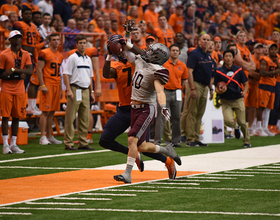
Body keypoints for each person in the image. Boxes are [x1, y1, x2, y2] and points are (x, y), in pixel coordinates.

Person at [99, 35, 177, 180]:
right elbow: (106, 73)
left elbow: (135, 50)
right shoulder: (126, 63)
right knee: (106, 140)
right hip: (124, 110)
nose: (122, 52)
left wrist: (125, 42)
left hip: (143, 109)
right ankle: (134, 154)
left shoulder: (143, 63)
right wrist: (110, 53)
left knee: (140, 144)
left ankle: (167, 161)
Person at [0, 30, 32, 154]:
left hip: (19, 89)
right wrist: (19, 74)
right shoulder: (4, 54)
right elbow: (2, 74)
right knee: (6, 116)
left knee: (17, 117)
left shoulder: (25, 54)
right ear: (10, 40)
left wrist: (13, 70)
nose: (18, 39)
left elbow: (29, 71)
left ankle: (13, 144)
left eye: (20, 37)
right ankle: (5, 144)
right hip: (7, 89)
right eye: (16, 37)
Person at [63, 34, 95, 151]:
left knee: (84, 117)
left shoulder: (88, 59)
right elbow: (66, 74)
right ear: (77, 44)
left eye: (84, 43)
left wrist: (92, 91)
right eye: (80, 43)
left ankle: (83, 142)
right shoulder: (72, 57)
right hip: (75, 88)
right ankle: (68, 142)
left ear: (86, 44)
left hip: (86, 89)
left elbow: (90, 76)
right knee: (70, 117)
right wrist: (68, 89)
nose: (82, 45)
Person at [182, 34, 216, 147]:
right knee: (192, 112)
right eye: (204, 39)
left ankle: (197, 138)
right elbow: (189, 72)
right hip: (196, 84)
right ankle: (190, 139)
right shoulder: (194, 54)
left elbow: (209, 74)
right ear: (199, 41)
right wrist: (192, 88)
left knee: (200, 113)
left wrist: (211, 88)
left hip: (205, 86)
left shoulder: (208, 56)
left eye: (208, 40)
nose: (206, 42)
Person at [215, 50, 251, 147]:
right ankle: (235, 127)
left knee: (242, 122)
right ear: (223, 58)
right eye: (226, 56)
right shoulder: (219, 71)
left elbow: (246, 84)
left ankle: (247, 141)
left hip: (238, 98)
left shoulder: (239, 70)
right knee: (228, 121)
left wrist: (245, 92)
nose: (228, 58)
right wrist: (219, 91)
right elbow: (216, 87)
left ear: (233, 58)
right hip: (225, 100)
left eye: (230, 56)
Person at [154, 43, 188, 147]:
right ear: (169, 52)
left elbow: (185, 80)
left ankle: (176, 141)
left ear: (179, 52)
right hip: (165, 92)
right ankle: (157, 141)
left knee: (177, 117)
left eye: (176, 51)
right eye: (173, 50)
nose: (175, 52)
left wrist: (181, 89)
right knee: (161, 117)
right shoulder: (164, 64)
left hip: (177, 92)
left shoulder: (182, 65)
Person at [36, 33, 64, 145]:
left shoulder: (60, 55)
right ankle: (42, 136)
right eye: (54, 40)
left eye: (58, 39)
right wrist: (42, 85)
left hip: (56, 84)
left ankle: (49, 135)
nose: (56, 42)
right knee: (45, 111)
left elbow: (60, 74)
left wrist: (61, 88)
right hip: (47, 84)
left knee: (52, 112)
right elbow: (38, 69)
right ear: (49, 41)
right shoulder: (44, 52)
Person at [255, 44, 280, 137]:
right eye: (272, 49)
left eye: (275, 49)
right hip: (265, 85)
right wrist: (274, 72)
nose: (274, 51)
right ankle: (258, 128)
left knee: (269, 108)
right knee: (261, 107)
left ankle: (265, 127)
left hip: (272, 85)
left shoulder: (275, 60)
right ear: (268, 50)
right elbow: (262, 72)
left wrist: (277, 61)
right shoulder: (265, 59)